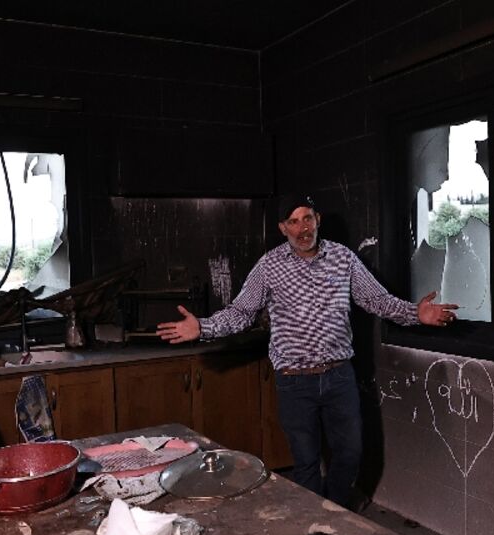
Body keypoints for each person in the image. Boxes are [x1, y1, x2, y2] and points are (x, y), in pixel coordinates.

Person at [157, 195, 458, 508]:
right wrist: (203, 327)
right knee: (306, 462)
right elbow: (242, 312)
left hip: (340, 376)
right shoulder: (270, 266)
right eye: (293, 221)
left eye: (307, 218)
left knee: (350, 452)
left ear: (318, 219)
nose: (302, 228)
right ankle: (314, 524)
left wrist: (416, 314)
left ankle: (336, 512)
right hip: (295, 382)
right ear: (282, 228)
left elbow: (377, 300)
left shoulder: (343, 258)